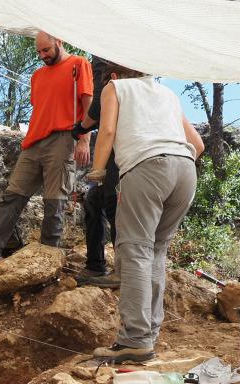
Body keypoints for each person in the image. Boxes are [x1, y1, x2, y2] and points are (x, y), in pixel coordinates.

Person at [89, 62, 205, 363]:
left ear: (113, 76)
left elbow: (108, 130)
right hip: (185, 170)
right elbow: (198, 144)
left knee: (135, 251)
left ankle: (134, 339)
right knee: (156, 251)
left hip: (147, 168)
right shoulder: (167, 94)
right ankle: (149, 335)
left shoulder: (115, 88)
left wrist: (97, 172)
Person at [0, 32, 93, 265]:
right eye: (39, 51)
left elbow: (88, 105)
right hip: (33, 141)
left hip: (64, 138)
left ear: (59, 42)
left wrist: (84, 139)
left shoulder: (78, 64)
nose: (42, 55)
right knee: (12, 194)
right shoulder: (37, 75)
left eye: (46, 50)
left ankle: (47, 257)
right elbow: (42, 108)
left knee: (55, 200)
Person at [71, 56, 121, 286]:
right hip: (113, 144)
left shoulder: (109, 55)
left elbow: (100, 100)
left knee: (114, 203)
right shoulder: (101, 52)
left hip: (124, 145)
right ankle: (95, 265)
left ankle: (123, 270)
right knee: (94, 198)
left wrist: (82, 127)